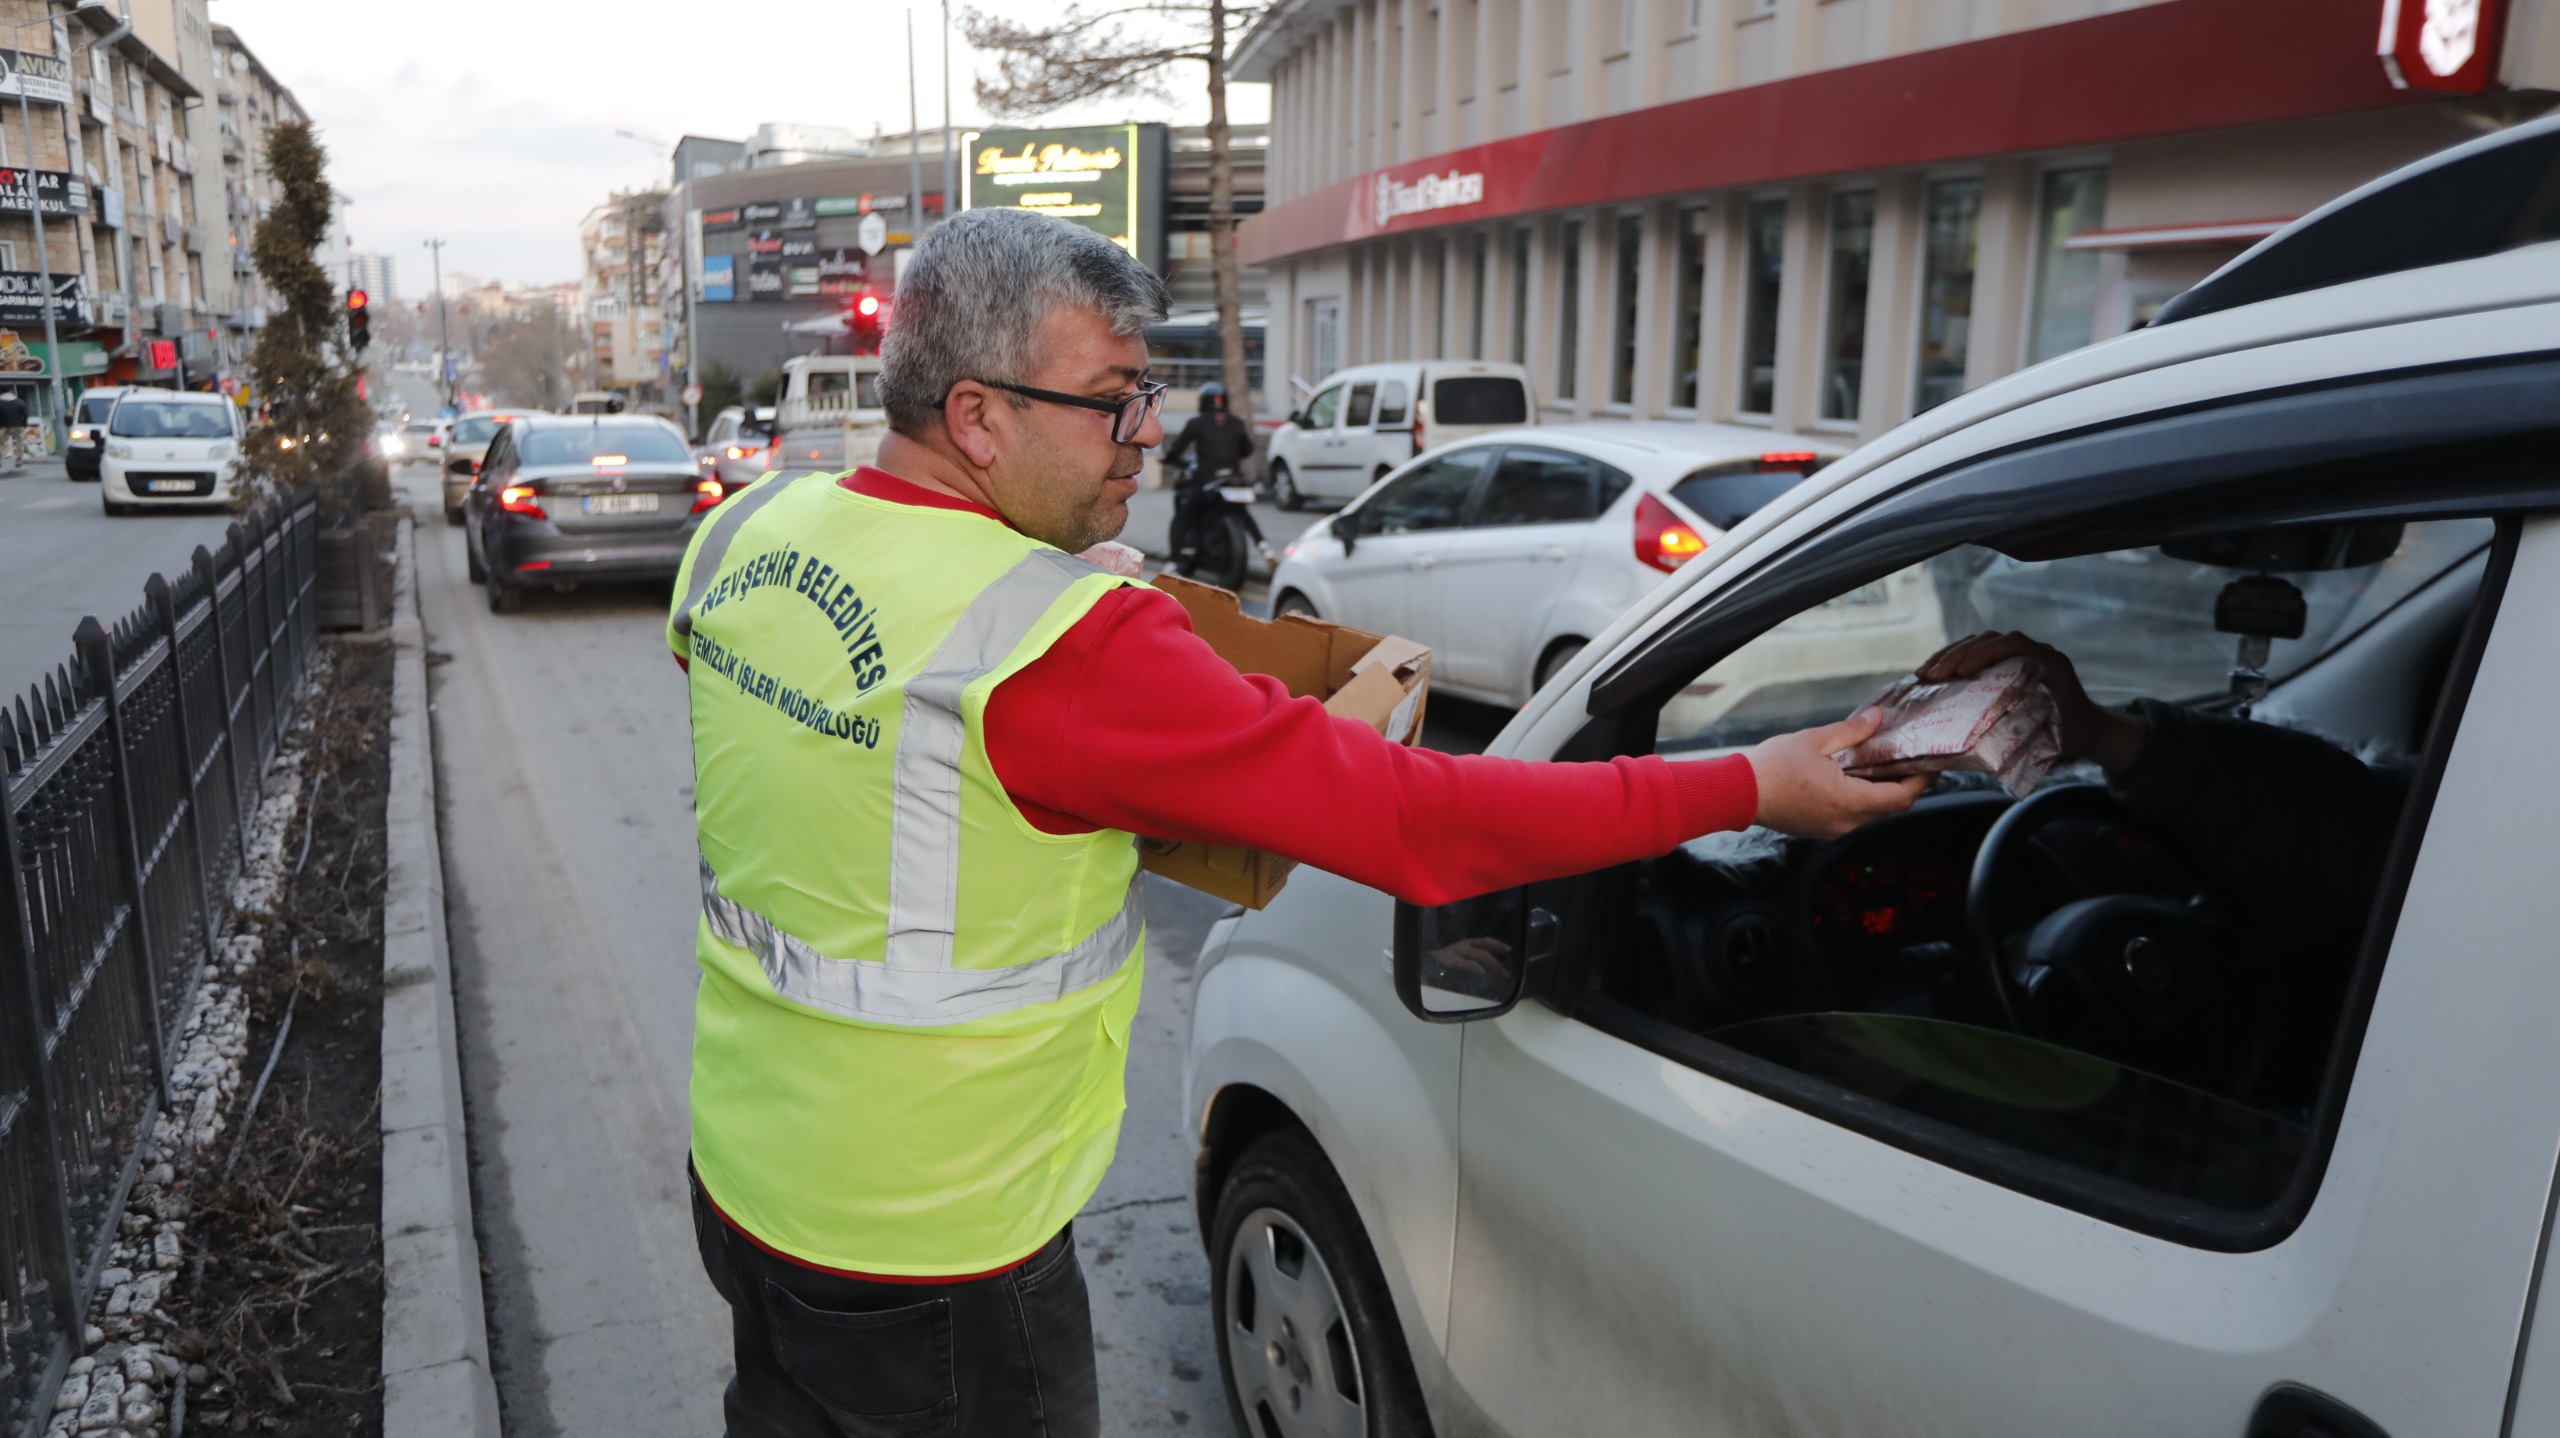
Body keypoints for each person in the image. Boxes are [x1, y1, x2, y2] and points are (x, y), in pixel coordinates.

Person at [666, 206, 1921, 1438]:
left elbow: (832, 739)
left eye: (1145, 391)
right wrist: (1751, 784)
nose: (1144, 436)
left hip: (747, 1177)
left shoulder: (743, 535)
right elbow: (1427, 826)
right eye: (1111, 398)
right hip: (932, 1243)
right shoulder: (1061, 645)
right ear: (978, 418)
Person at [1915, 629, 2409, 1102]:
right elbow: (2365, 828)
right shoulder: (2457, 833)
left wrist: (2103, 734)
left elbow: (2348, 828)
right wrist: (2102, 733)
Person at [1160, 381, 1257, 569]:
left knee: (1184, 518)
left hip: (1205, 480)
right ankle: (1263, 546)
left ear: (1203, 402)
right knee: (1244, 514)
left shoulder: (1196, 423)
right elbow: (1248, 449)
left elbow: (1177, 449)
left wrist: (1168, 458)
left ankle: (1173, 560)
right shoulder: (1236, 423)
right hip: (1235, 479)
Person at [0, 387, 29, 472]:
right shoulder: (19, 402)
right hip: (17, 425)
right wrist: (24, 423)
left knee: (1, 443)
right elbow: (25, 413)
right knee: (19, 442)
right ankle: (19, 460)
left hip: (3, 426)